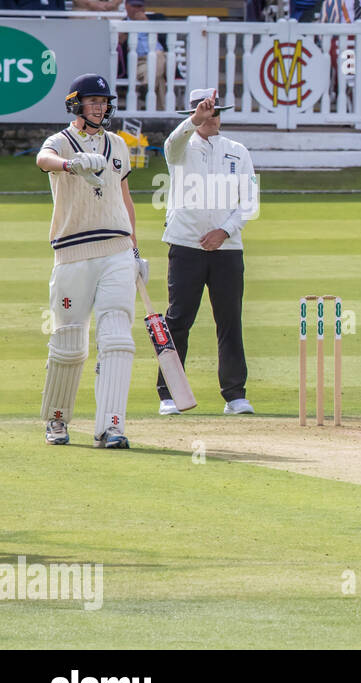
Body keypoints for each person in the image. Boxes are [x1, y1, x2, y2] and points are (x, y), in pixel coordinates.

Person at [34, 73, 142, 449]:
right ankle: (57, 420)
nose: (100, 107)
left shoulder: (117, 144)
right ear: (75, 104)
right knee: (69, 343)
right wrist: (70, 165)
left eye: (104, 102)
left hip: (115, 250)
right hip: (73, 253)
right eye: (93, 101)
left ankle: (111, 426)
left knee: (117, 340)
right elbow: (42, 159)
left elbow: (124, 197)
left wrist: (135, 249)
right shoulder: (60, 141)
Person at [158, 89, 257, 416]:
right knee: (179, 319)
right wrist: (193, 121)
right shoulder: (181, 147)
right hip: (186, 245)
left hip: (227, 249)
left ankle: (234, 395)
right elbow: (171, 145)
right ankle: (170, 394)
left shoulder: (237, 151)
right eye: (206, 113)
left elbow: (249, 202)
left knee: (229, 319)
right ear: (194, 114)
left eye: (216, 113)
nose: (213, 118)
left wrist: (224, 231)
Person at [118, 0, 168, 111]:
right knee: (157, 77)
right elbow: (118, 52)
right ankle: (159, 112)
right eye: (134, 6)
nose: (137, 9)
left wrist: (147, 23)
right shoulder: (122, 24)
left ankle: (146, 87)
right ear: (126, 6)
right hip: (138, 62)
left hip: (163, 58)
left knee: (158, 55)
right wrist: (121, 39)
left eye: (140, 6)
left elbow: (166, 39)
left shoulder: (157, 18)